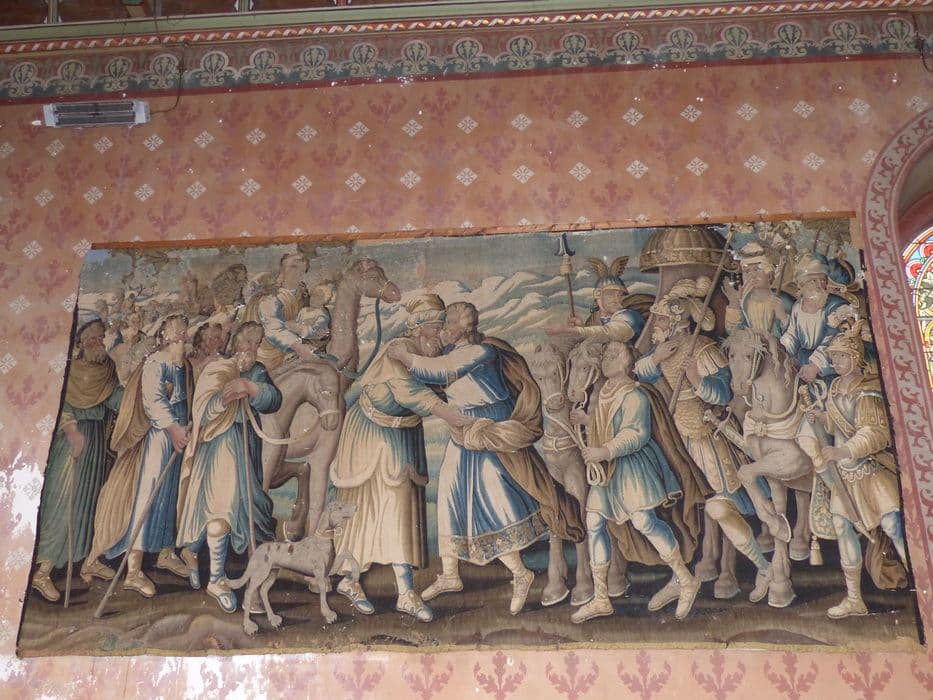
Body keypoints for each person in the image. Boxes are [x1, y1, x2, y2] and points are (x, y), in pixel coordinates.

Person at [389, 302, 584, 615]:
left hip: (490, 429)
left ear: (464, 327)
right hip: (464, 430)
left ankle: (521, 574)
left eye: (448, 324)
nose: (444, 330)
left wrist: (403, 356)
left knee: (495, 503)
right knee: (449, 494)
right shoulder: (453, 353)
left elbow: (438, 370)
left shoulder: (481, 352)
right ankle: (450, 574)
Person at [331, 295, 472, 622]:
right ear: (418, 327)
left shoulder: (433, 353)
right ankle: (350, 580)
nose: (440, 334)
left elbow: (444, 384)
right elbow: (411, 392)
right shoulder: (398, 349)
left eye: (442, 327)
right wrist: (449, 414)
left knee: (402, 512)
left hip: (404, 435)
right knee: (364, 509)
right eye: (435, 327)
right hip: (370, 433)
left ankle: (406, 594)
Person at [635, 278, 771, 605]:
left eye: (662, 319)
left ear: (678, 321)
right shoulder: (665, 350)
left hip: (707, 435)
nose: (656, 325)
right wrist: (655, 358)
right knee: (695, 505)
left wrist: (697, 380)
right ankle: (694, 568)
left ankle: (740, 567)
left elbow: (724, 392)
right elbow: (640, 372)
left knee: (722, 503)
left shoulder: (703, 349)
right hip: (679, 437)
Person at [569, 341, 700, 622]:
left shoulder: (635, 394)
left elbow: (636, 434)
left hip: (631, 466)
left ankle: (685, 579)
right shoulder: (605, 390)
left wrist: (604, 451)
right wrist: (588, 421)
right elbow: (607, 424)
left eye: (614, 354)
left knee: (643, 521)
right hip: (607, 470)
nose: (607, 358)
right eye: (605, 354)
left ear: (627, 362)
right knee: (594, 522)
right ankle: (601, 598)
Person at [803, 322, 908, 619]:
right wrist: (821, 418)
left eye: (841, 357)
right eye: (833, 357)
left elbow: (874, 433)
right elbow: (837, 424)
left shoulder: (869, 389)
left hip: (871, 470)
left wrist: (842, 451)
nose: (836, 362)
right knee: (842, 527)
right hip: (845, 475)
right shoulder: (836, 387)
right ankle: (853, 599)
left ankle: (924, 582)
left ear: (855, 358)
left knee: (892, 525)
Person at [176, 322, 281, 612]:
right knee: (219, 510)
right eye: (248, 342)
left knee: (244, 510)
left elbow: (274, 399)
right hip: (218, 446)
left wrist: (251, 388)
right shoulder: (217, 368)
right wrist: (223, 400)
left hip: (245, 448)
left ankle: (195, 553)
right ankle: (216, 579)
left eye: (257, 344)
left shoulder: (256, 371)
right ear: (236, 343)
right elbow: (203, 409)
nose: (252, 349)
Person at [89, 314, 192, 598]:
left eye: (183, 332)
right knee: (149, 494)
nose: (181, 336)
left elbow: (187, 397)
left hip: (180, 435)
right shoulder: (155, 363)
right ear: (165, 336)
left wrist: (185, 427)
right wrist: (173, 429)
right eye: (176, 332)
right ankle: (133, 570)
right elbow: (153, 401)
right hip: (158, 437)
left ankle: (165, 553)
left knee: (172, 495)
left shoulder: (183, 365)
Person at [31, 318, 124, 602]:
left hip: (95, 442)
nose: (97, 343)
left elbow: (114, 400)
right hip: (71, 440)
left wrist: (135, 397)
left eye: (100, 337)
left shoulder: (107, 369)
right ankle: (43, 572)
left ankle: (88, 561)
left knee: (89, 502)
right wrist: (72, 432)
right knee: (63, 502)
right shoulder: (68, 369)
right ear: (80, 342)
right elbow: (59, 404)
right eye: (91, 338)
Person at [780, 253, 849, 383]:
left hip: (828, 365)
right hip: (802, 363)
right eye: (813, 280)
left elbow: (832, 339)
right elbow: (792, 335)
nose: (819, 285)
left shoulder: (835, 306)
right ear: (802, 283)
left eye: (822, 280)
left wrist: (815, 367)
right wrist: (782, 350)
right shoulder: (797, 307)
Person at [545, 256, 647, 344]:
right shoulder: (594, 320)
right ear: (598, 294)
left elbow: (609, 332)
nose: (617, 299)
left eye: (620, 294)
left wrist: (571, 330)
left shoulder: (630, 317)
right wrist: (582, 328)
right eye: (610, 294)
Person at [245, 252, 314, 371]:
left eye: (302, 270)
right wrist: (297, 346)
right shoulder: (270, 296)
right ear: (282, 269)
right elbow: (272, 327)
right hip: (267, 357)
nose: (297, 273)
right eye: (293, 267)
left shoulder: (302, 296)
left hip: (292, 353)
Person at [723, 241, 793, 338]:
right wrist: (734, 305)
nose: (752, 275)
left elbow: (795, 334)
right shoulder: (745, 302)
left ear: (769, 275)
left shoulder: (783, 300)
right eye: (747, 271)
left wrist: (783, 317)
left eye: (757, 270)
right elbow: (732, 332)